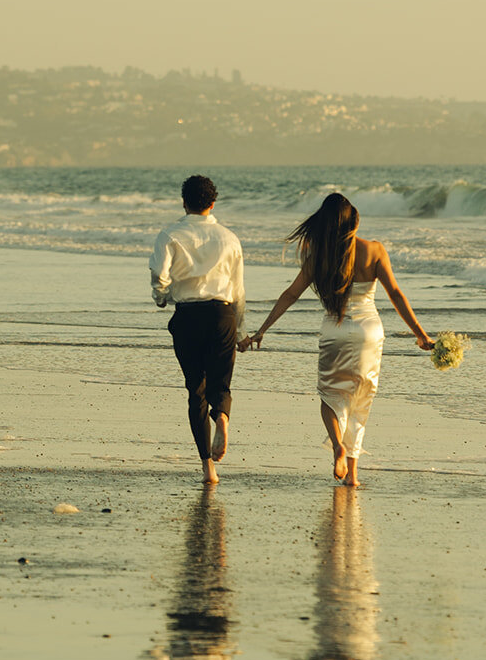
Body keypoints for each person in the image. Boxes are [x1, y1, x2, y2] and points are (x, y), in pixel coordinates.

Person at [244, 192, 432, 487]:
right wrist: (420, 334)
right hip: (370, 332)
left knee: (332, 398)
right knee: (361, 401)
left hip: (335, 332)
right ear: (354, 221)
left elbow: (291, 294)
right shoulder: (375, 250)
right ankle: (353, 477)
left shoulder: (318, 253)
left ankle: (337, 447)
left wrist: (262, 329)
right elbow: (395, 293)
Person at [150, 175, 247, 485]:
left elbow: (159, 276)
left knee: (196, 390)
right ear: (213, 204)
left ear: (184, 202)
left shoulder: (170, 234)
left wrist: (162, 298)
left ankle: (208, 468)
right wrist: (241, 328)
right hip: (223, 315)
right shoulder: (229, 238)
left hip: (188, 316)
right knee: (221, 382)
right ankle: (222, 418)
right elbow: (239, 290)